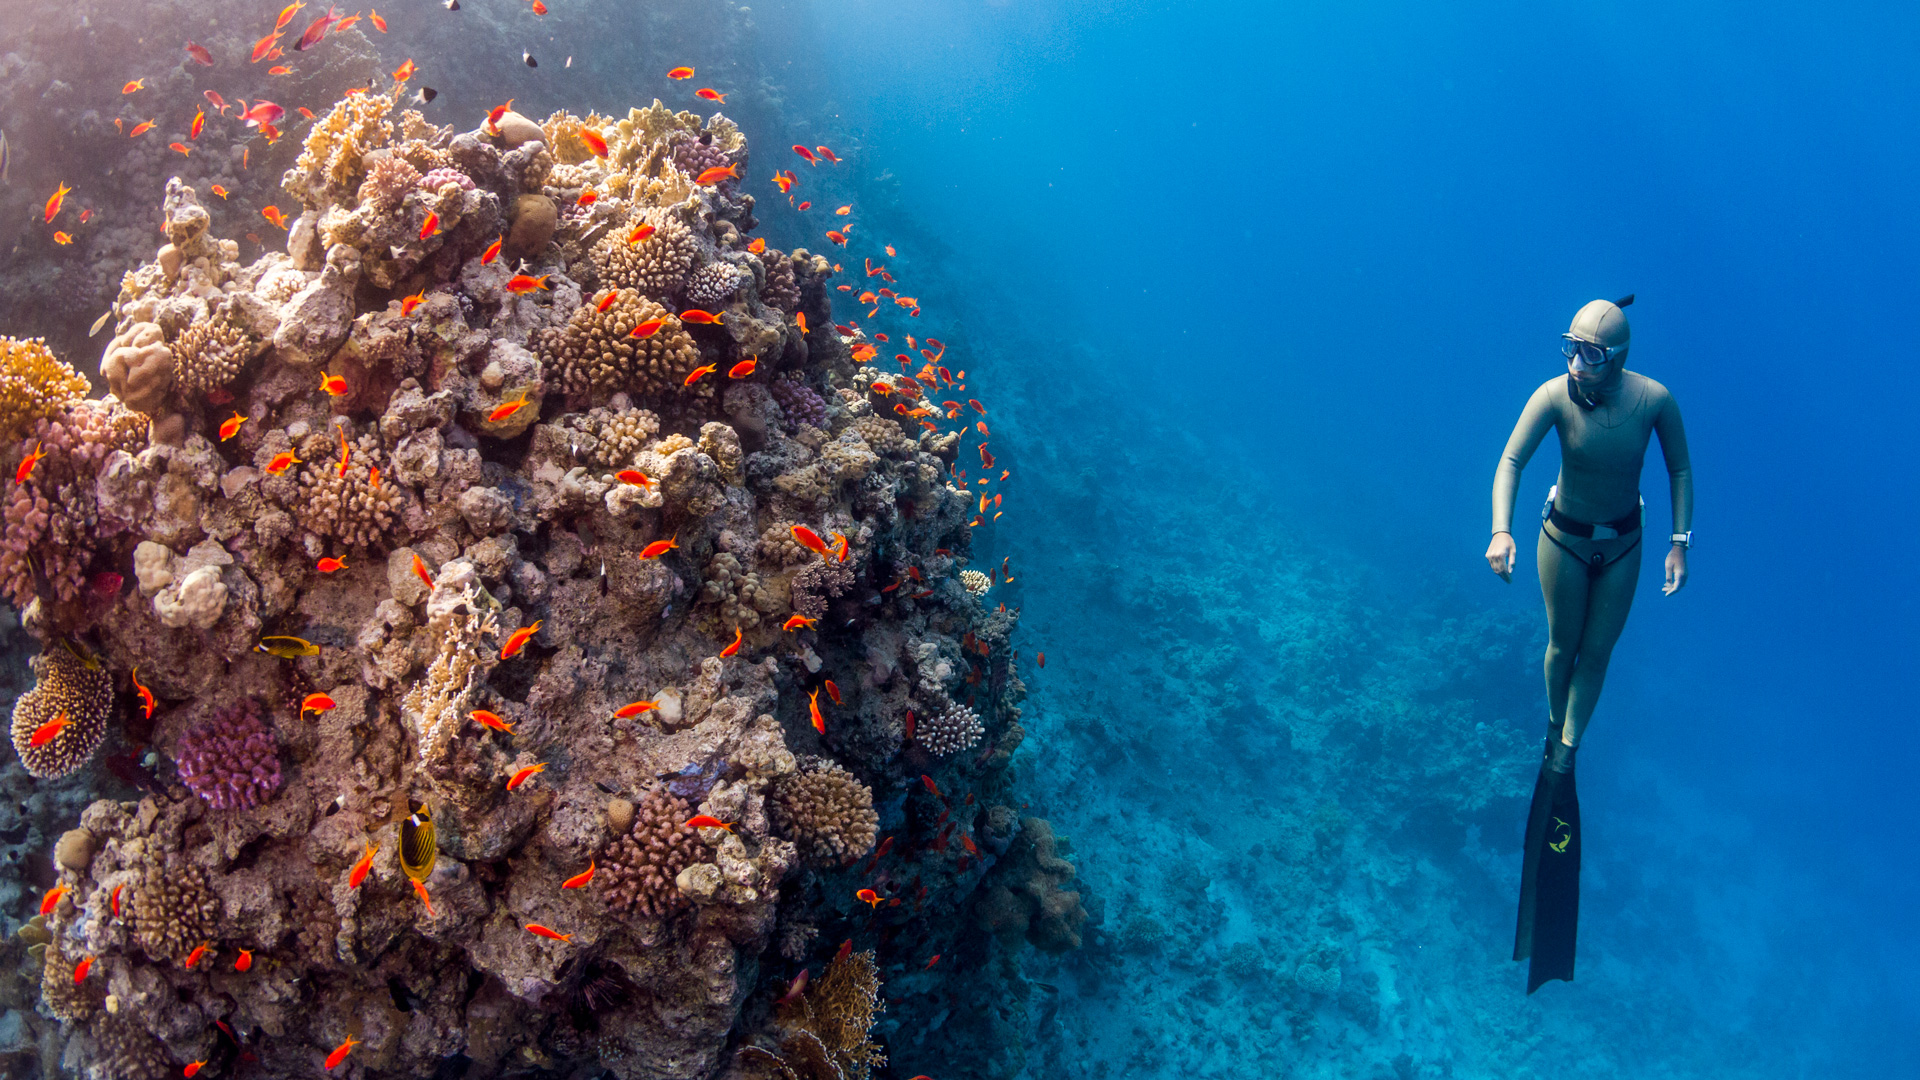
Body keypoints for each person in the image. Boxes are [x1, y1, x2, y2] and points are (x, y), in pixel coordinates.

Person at [1486, 295, 1693, 992]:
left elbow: (1680, 470)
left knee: (1597, 653)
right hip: (1564, 540)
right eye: (1571, 347)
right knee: (1561, 647)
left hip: (1624, 545)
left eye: (1592, 353)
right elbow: (1512, 459)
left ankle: (1568, 748)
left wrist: (1680, 542)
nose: (1578, 362)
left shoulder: (1653, 400)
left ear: (1619, 358)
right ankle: (1555, 728)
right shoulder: (1553, 396)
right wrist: (1501, 530)